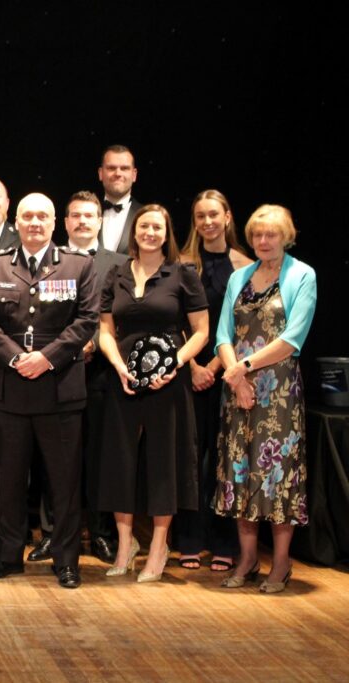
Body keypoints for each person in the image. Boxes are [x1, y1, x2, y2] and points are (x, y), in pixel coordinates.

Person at [0, 193, 99, 589]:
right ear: (16, 220)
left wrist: (46, 358)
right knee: (9, 479)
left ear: (54, 222)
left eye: (42, 216)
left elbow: (87, 319)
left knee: (63, 482)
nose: (35, 223)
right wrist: (15, 358)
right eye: (27, 216)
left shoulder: (79, 265)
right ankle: (8, 555)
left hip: (59, 388)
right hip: (11, 389)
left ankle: (66, 560)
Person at [98, 204, 209, 582]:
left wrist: (172, 364)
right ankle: (126, 543)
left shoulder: (183, 274)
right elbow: (105, 331)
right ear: (135, 231)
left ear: (166, 233)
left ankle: (159, 546)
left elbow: (201, 332)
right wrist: (117, 366)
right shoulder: (115, 274)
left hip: (168, 383)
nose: (150, 232)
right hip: (124, 380)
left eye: (157, 227)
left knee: (165, 462)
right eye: (144, 225)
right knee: (120, 461)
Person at [213, 204, 317, 594]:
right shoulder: (240, 276)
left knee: (278, 475)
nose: (263, 241)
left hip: (279, 391)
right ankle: (248, 557)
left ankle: (282, 561)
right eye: (257, 234)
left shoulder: (302, 274)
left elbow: (293, 338)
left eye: (271, 234)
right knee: (241, 471)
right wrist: (236, 378)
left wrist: (244, 367)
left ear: (285, 236)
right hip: (239, 390)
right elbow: (223, 334)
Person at [30, 192, 128, 565]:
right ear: (65, 222)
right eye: (76, 216)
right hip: (55, 372)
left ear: (100, 222)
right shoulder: (48, 259)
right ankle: (51, 533)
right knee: (51, 458)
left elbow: (125, 316)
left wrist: (98, 346)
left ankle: (100, 533)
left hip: (104, 374)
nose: (83, 221)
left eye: (90, 215)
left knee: (100, 456)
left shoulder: (120, 264)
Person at [172, 190, 253, 572]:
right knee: (188, 459)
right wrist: (191, 367)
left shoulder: (245, 266)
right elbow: (171, 322)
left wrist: (216, 368)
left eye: (213, 215)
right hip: (185, 373)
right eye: (200, 216)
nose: (206, 222)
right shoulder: (181, 264)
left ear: (227, 217)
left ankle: (224, 542)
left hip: (228, 375)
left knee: (224, 461)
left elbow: (243, 327)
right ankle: (188, 540)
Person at [98, 145, 143, 253]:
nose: (118, 173)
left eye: (124, 168)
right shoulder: (85, 214)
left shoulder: (145, 215)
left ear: (134, 175)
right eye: (111, 168)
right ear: (100, 173)